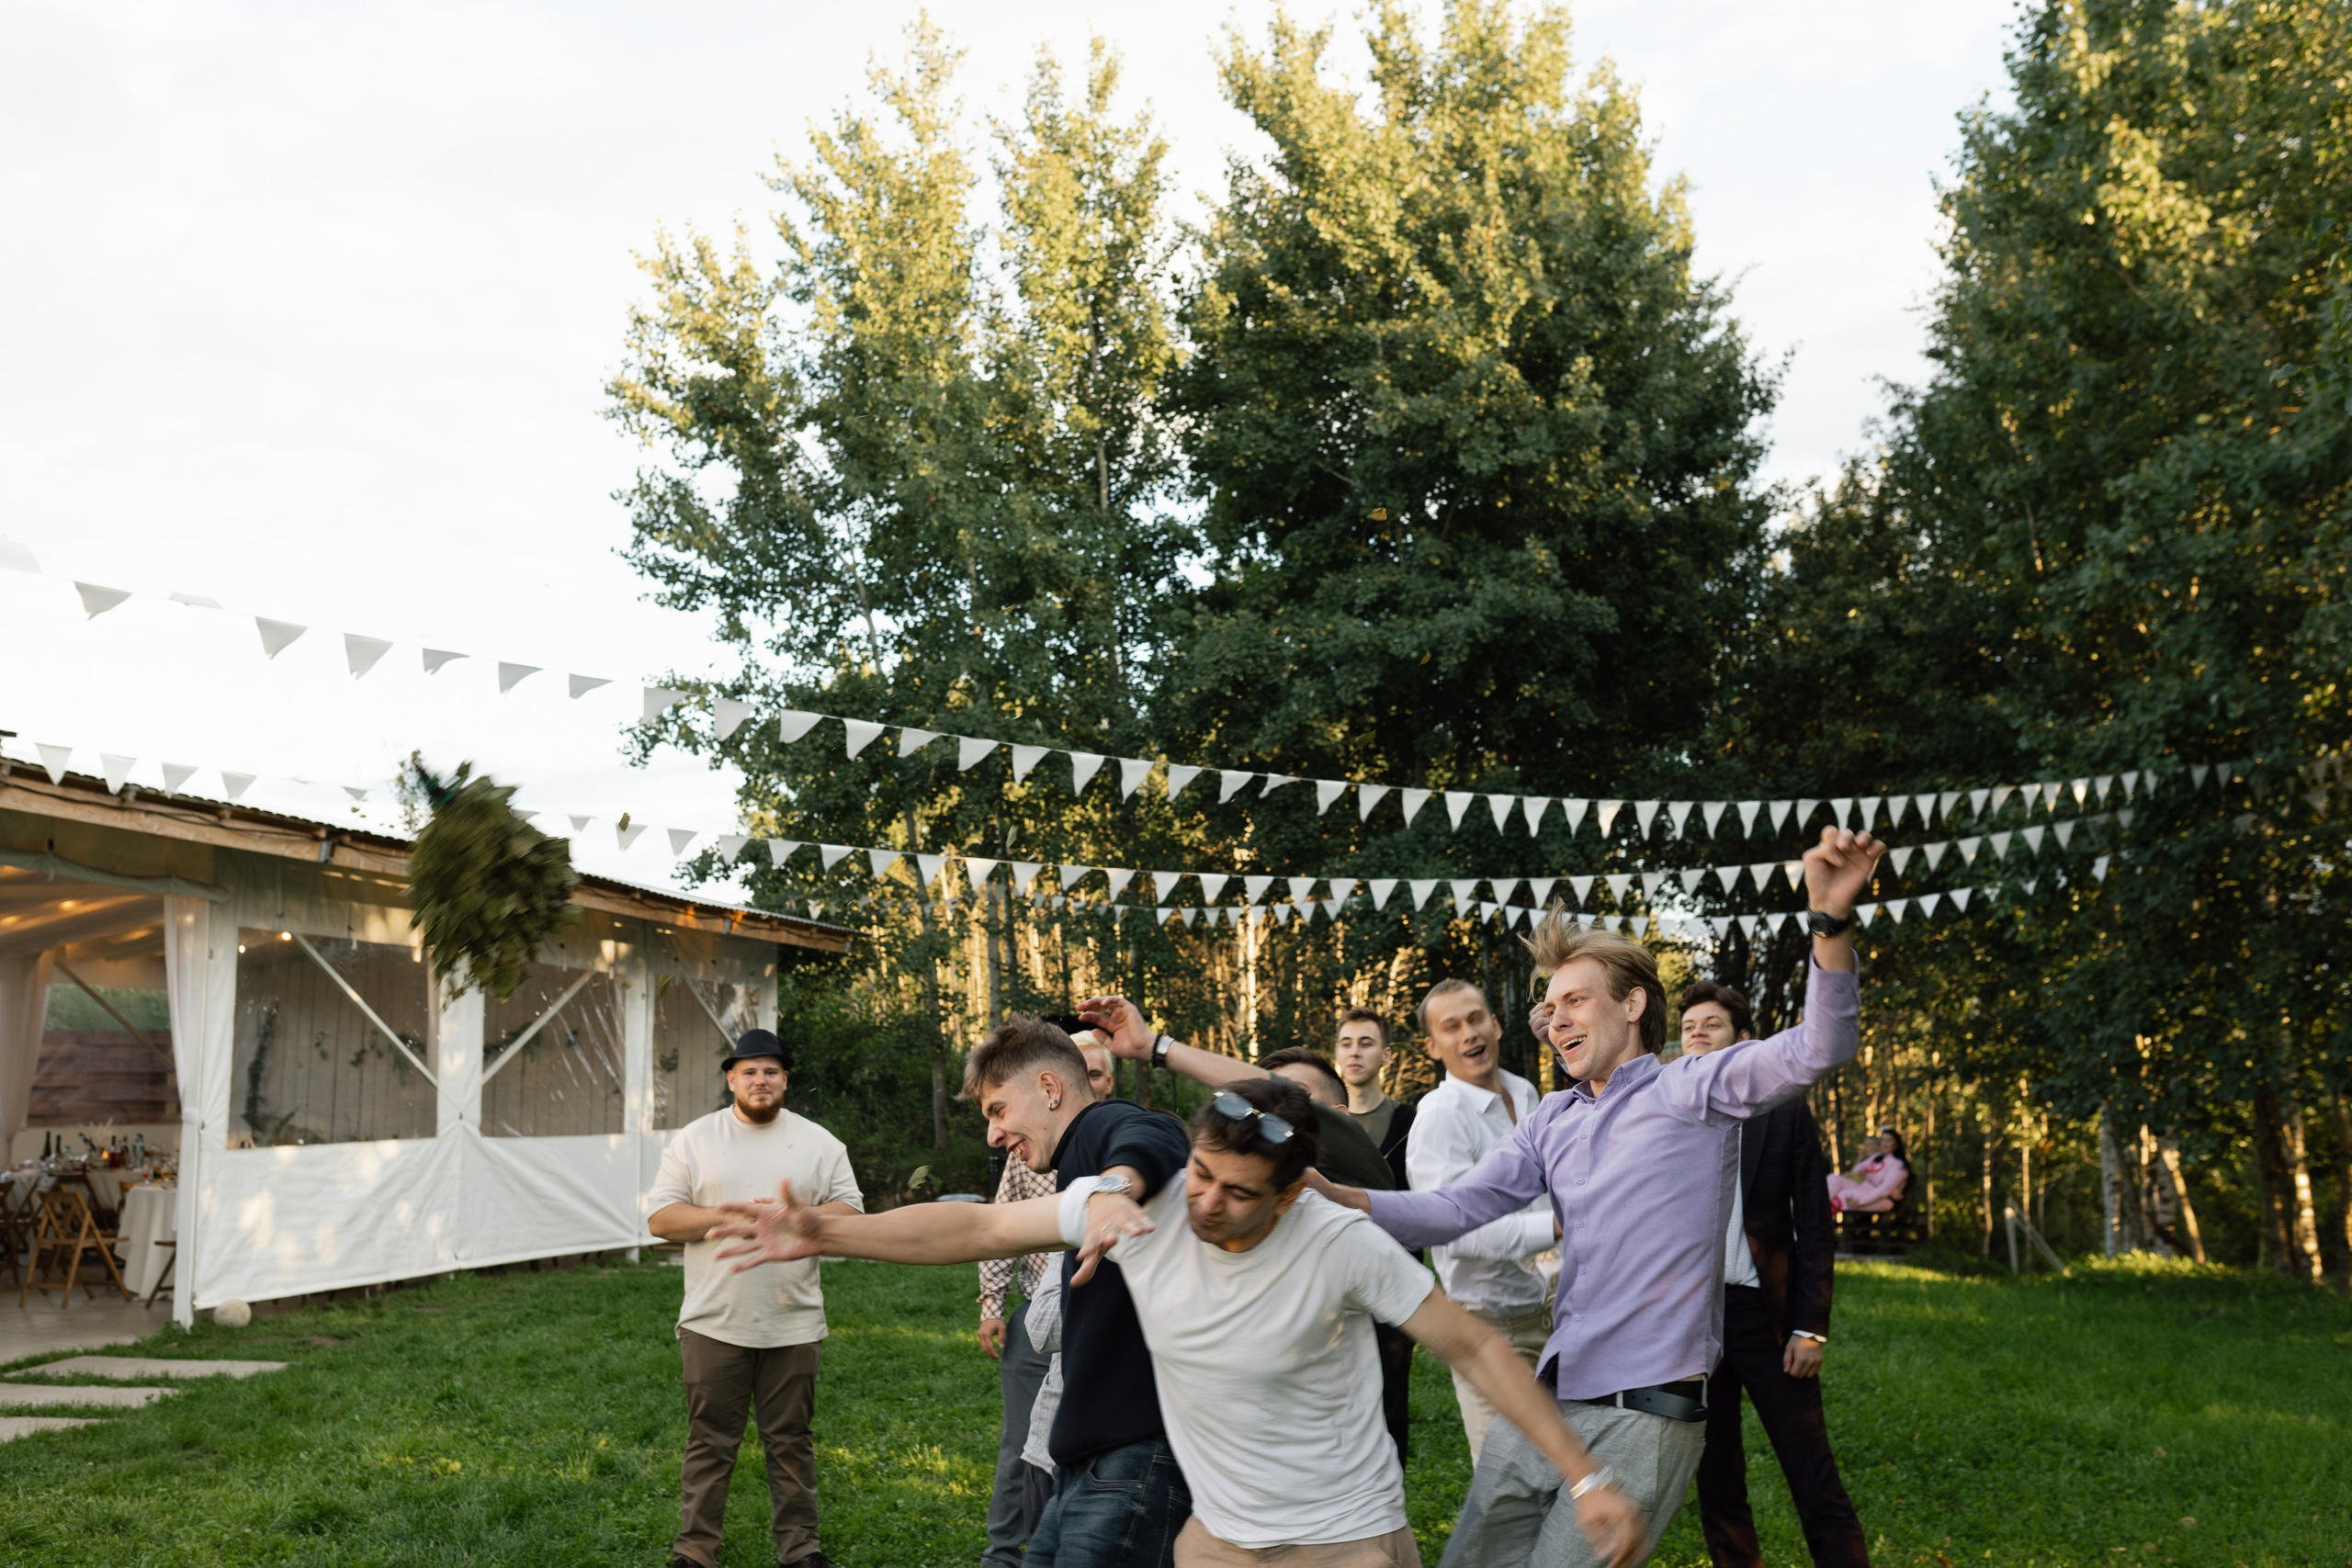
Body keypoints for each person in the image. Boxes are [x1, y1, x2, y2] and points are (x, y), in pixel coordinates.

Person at [712, 1066, 1647, 1568]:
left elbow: (1476, 1347)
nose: (1206, 1203)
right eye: (1201, 1174)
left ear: (1290, 1198)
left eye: (1240, 1194)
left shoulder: (1337, 1241)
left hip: (1346, 1540)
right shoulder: (1143, 1208)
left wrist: (1584, 1477)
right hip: (1217, 1540)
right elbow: (979, 1225)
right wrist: (833, 1232)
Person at [1308, 826, 1881, 1568]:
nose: (1558, 1020)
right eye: (1551, 1008)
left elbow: (1821, 1044)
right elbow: (1457, 1208)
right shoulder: (1553, 1117)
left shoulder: (1692, 1087)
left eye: (1576, 1000)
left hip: (1648, 1413)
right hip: (1547, 1401)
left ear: (1634, 1003)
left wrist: (1829, 923)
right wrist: (1343, 1197)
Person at [1098, 1032, 1413, 1464]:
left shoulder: (1360, 1179)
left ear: (1339, 1121)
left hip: (1338, 1459)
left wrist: (1157, 1047)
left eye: (1291, 1103)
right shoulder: (1222, 1206)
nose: (1269, 1119)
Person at [646, 1028, 864, 1568]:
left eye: (770, 1071)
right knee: (710, 1442)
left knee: (790, 1440)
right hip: (713, 1320)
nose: (760, 1080)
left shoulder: (819, 1142)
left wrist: (794, 1220)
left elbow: (853, 1213)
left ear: (785, 1079)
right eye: (749, 1072)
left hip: (793, 1320)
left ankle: (801, 1550)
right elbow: (660, 1218)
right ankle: (695, 1552)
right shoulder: (695, 1139)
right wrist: (726, 1214)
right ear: (731, 1080)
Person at [1675, 982, 1868, 1568]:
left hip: (1767, 1320)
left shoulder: (1782, 1111)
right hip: (1692, 1324)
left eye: (1712, 1024)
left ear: (1742, 1038)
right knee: (1717, 1475)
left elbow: (1814, 1221)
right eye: (1689, 1027)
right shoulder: (1668, 1112)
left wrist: (1810, 1327)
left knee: (1812, 1474)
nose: (1698, 1033)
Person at [978, 1030, 1118, 1568]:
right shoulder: (1026, 1152)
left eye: (1097, 1072)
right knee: (1023, 1442)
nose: (994, 1133)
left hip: (1097, 1329)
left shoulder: (1124, 1141)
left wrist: (1117, 1186)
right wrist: (992, 1306)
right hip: (1037, 1318)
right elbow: (990, 1227)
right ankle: (1001, 1554)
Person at [1407, 978, 1560, 1461]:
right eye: (1450, 1027)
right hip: (1489, 1328)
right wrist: (1556, 1228)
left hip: (1553, 1312)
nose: (1468, 1033)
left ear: (1495, 1024)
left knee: (1563, 1471)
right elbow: (1453, 1229)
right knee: (1508, 1484)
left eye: (1475, 1019)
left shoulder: (1525, 1091)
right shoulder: (1439, 1116)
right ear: (1433, 1047)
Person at [1335, 1009, 1417, 1189]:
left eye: (1365, 1044)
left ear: (1386, 1055)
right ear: (1337, 1053)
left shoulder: (1410, 1124)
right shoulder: (1325, 1123)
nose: (1354, 1053)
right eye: (1346, 1044)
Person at [1826, 1129, 1907, 1213]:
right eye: (1883, 1140)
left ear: (1897, 1144)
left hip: (1882, 1199)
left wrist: (1862, 1202)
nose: (1885, 1143)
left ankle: (1822, 1221)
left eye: (1889, 1140)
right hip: (1864, 1188)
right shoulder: (1877, 1157)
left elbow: (1884, 1190)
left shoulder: (1899, 1166)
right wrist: (1860, 1171)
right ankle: (1817, 1210)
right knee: (1833, 1178)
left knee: (1844, 1196)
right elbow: (1858, 1168)